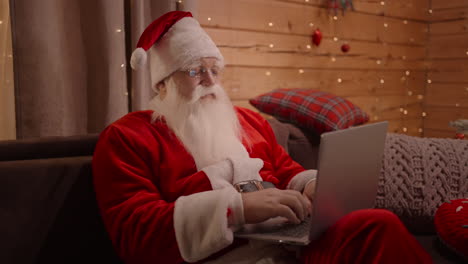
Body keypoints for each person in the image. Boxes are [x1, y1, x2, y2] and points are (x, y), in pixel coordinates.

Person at [92, 11, 432, 264]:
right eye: (195, 71)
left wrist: (312, 185)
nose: (210, 81)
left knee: (375, 225)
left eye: (215, 69)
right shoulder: (126, 138)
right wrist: (236, 209)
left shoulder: (248, 121)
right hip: (222, 257)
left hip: (288, 245)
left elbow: (285, 171)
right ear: (163, 84)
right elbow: (135, 235)